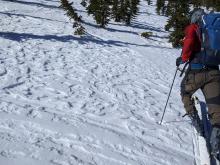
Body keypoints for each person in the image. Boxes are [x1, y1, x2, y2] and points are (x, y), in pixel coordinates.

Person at [176, 9, 220, 156]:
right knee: (215, 105)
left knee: (185, 91)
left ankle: (196, 122)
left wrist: (182, 58)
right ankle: (216, 140)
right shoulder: (214, 28)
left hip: (196, 73)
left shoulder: (194, 27)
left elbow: (188, 43)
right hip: (214, 73)